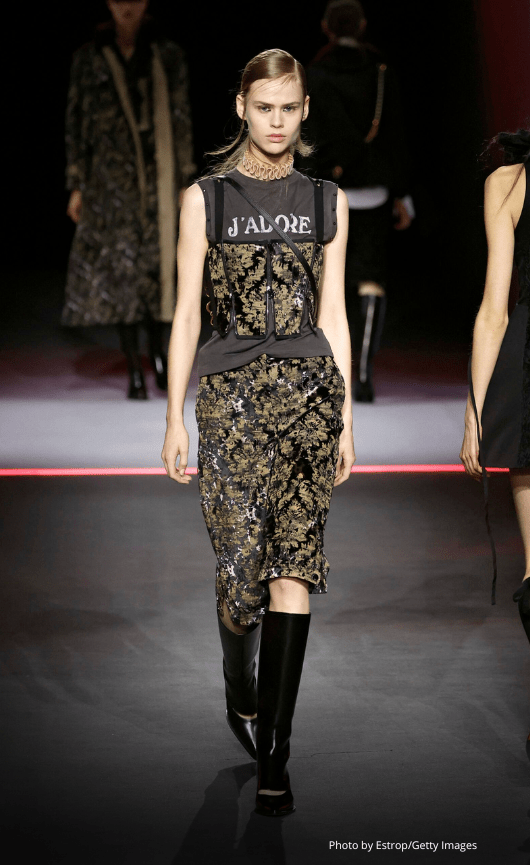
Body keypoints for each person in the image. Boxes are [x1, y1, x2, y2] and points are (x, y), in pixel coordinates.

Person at [161, 48, 355, 816]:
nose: (277, 122)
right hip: (231, 401)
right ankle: (237, 679)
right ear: (242, 106)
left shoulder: (326, 200)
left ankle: (276, 753)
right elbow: (186, 314)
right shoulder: (206, 199)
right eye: (264, 107)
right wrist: (173, 416)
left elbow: (333, 312)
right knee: (240, 583)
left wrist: (345, 418)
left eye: (289, 108)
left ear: (304, 110)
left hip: (309, 396)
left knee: (293, 570)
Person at [63, 0, 195, 399]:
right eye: (119, 1)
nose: (127, 9)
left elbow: (180, 117)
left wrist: (185, 178)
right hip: (109, 181)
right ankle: (135, 365)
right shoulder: (89, 57)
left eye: (133, 0)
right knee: (122, 271)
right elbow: (76, 121)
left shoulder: (166, 54)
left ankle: (158, 353)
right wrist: (76, 183)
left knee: (157, 267)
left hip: (159, 177)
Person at [302, 0, 412, 402]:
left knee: (326, 278)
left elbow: (308, 138)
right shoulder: (380, 73)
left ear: (325, 27)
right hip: (375, 189)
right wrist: (403, 194)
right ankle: (363, 374)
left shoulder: (314, 75)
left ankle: (328, 374)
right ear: (362, 25)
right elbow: (397, 135)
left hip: (330, 190)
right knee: (370, 278)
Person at [460, 129, 530, 748]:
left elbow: (495, 309)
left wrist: (476, 410)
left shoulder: (509, 183)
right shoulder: (508, 182)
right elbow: (493, 309)